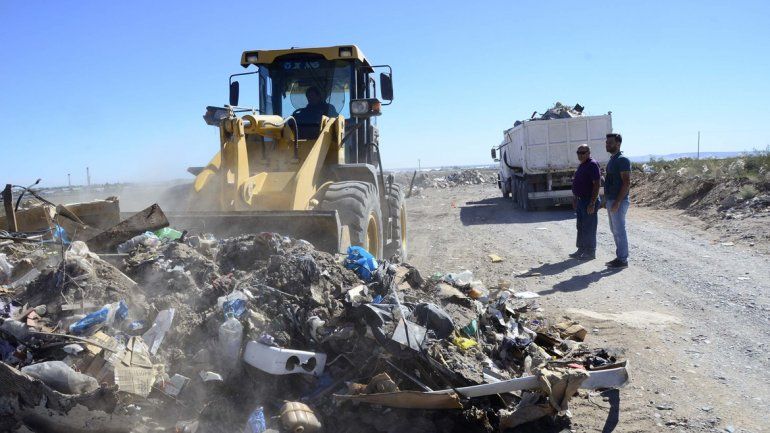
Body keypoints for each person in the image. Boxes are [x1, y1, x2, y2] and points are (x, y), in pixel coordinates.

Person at [569, 144, 601, 260]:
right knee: (581, 226)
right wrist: (575, 197)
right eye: (578, 152)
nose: (580, 155)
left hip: (589, 200)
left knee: (589, 227)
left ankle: (590, 252)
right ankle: (581, 249)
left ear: (588, 153)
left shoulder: (592, 164)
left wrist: (592, 203)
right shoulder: (582, 165)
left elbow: (597, 184)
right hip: (581, 200)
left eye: (583, 152)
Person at [603, 133, 631, 268]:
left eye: (610, 142)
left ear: (618, 144)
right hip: (612, 200)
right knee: (615, 230)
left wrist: (617, 201)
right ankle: (620, 257)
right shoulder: (613, 159)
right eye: (607, 142)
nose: (607, 144)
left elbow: (626, 183)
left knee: (619, 230)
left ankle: (623, 260)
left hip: (618, 200)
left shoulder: (622, 160)